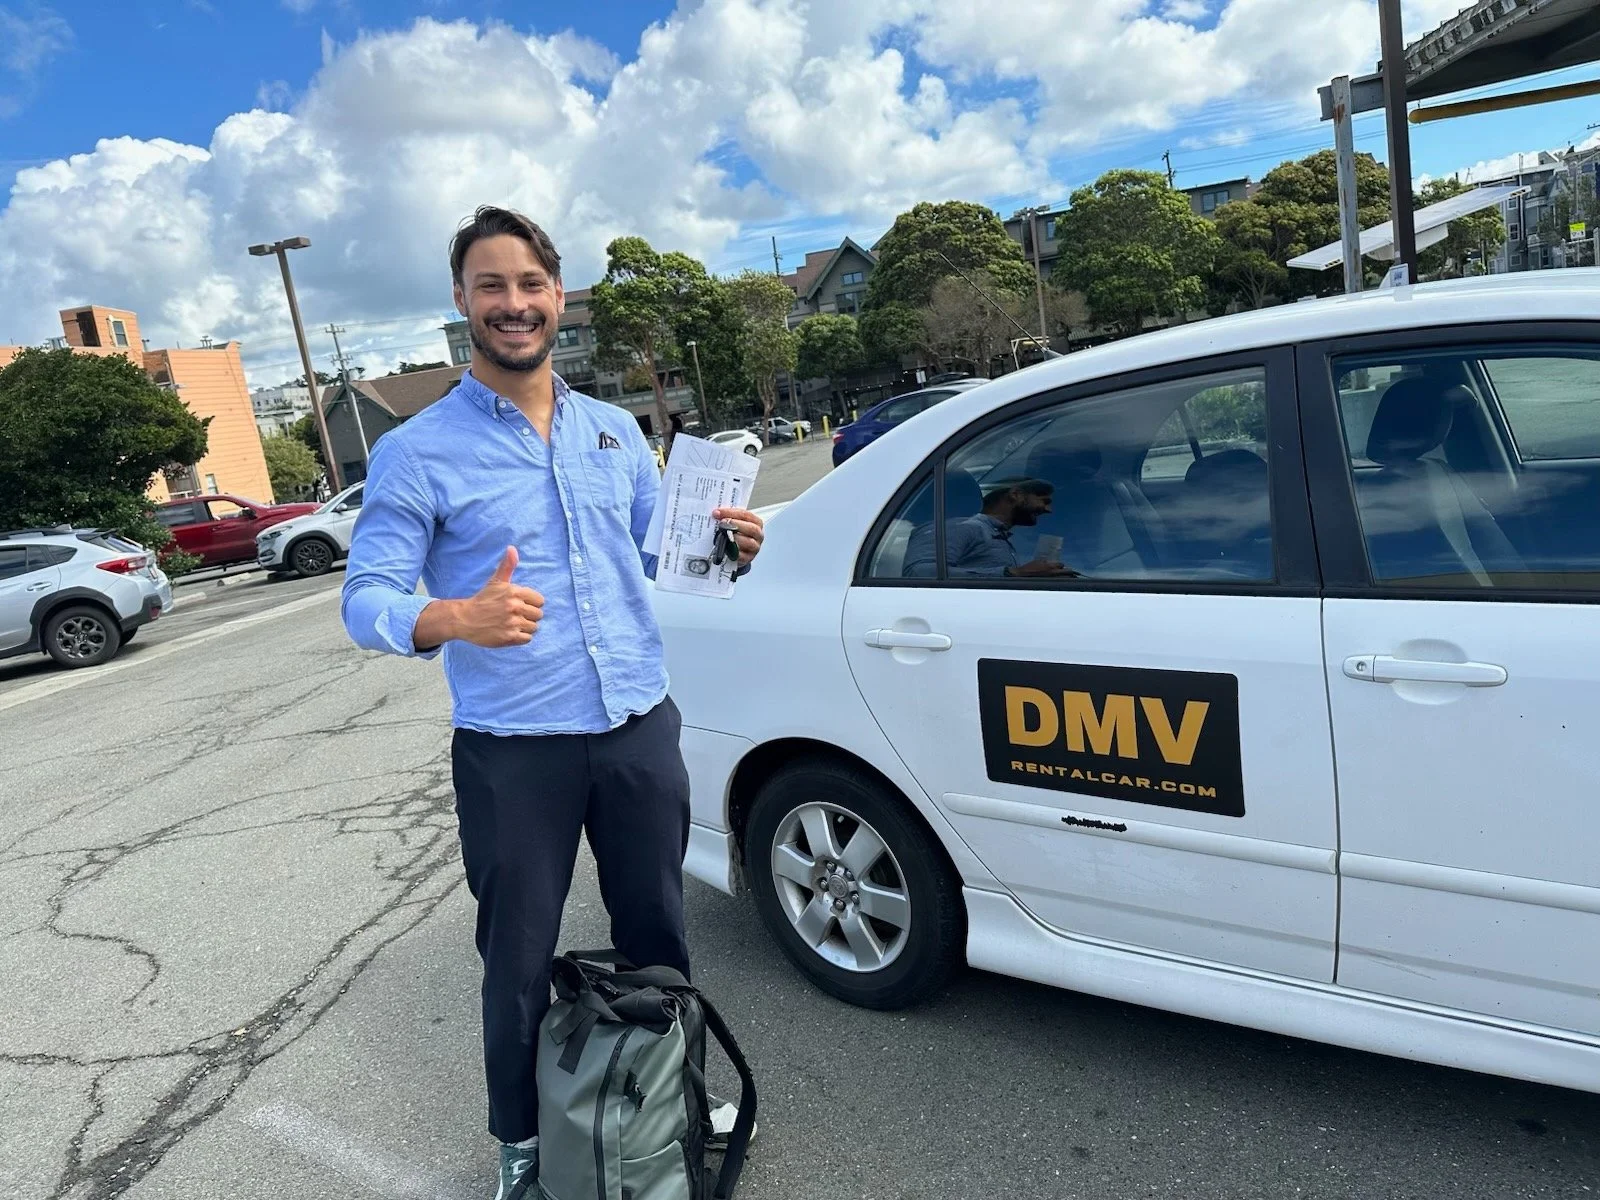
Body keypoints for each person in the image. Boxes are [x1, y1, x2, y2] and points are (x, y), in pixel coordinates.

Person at [340, 206, 766, 1200]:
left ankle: (671, 1095)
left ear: (556, 295)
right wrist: (456, 616)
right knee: (518, 959)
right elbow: (366, 601)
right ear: (461, 302)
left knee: (657, 932)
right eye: (491, 286)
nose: (513, 304)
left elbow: (665, 556)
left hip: (636, 728)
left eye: (529, 284)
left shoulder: (614, 430)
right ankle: (523, 1147)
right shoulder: (418, 450)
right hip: (514, 750)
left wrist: (731, 547)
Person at [904, 478, 1075, 579]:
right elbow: (918, 572)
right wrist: (1014, 573)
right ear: (1016, 495)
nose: (1048, 510)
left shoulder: (996, 535)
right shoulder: (963, 527)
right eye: (1044, 501)